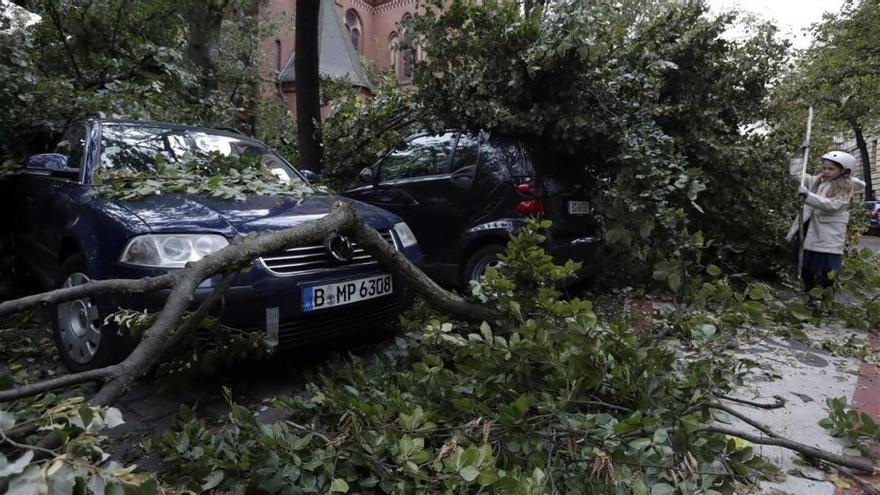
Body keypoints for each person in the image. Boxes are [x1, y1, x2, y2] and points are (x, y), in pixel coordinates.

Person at [786, 150, 863, 296]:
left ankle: (826, 301)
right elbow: (797, 175)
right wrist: (800, 156)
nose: (826, 171)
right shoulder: (818, 181)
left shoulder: (845, 188)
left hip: (828, 235)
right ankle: (809, 297)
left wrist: (808, 196)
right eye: (824, 168)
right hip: (810, 230)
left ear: (844, 170)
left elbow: (832, 205)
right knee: (807, 269)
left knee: (827, 272)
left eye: (831, 168)